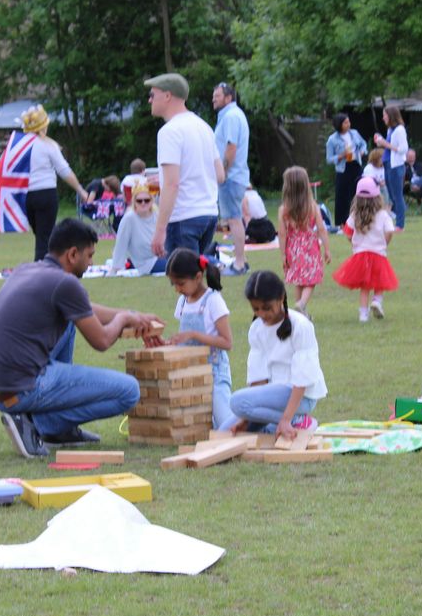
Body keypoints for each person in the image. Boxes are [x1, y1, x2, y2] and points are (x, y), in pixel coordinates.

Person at [0, 219, 161, 458]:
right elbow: (101, 341)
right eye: (89, 256)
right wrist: (122, 319)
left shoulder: (30, 269)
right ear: (72, 254)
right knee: (129, 391)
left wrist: (133, 315)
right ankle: (44, 425)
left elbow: (85, 309)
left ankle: (58, 430)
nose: (91, 263)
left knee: (70, 322)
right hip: (18, 390)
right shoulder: (65, 283)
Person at [218, 270, 326, 440]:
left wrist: (287, 418)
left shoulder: (301, 326)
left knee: (236, 401)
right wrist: (246, 418)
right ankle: (276, 425)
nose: (262, 314)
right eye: (256, 309)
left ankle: (299, 420)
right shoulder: (256, 329)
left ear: (281, 298)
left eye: (267, 308)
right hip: (272, 399)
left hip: (301, 398)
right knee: (224, 432)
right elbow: (258, 378)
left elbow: (303, 378)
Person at [145, 73, 225, 259]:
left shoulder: (169, 132)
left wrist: (159, 230)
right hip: (209, 215)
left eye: (152, 95)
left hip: (183, 218)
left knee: (186, 283)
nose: (150, 100)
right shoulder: (203, 126)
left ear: (167, 96)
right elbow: (219, 175)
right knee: (194, 280)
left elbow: (172, 185)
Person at [165, 249, 233, 429]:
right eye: (174, 284)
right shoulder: (183, 302)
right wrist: (168, 344)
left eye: (180, 283)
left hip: (214, 373)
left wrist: (194, 335)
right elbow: (184, 341)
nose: (177, 289)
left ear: (197, 277)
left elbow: (227, 342)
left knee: (226, 425)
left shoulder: (213, 300)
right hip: (190, 373)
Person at [20, 104, 93, 261]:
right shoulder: (48, 145)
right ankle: (44, 270)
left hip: (27, 196)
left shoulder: (19, 146)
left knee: (40, 235)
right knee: (45, 237)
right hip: (46, 193)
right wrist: (80, 190)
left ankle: (42, 267)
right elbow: (64, 171)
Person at [333, 176, 399, 322]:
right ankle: (377, 301)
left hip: (360, 255)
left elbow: (347, 231)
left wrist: (354, 242)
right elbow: (389, 231)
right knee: (379, 281)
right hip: (378, 253)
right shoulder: (383, 215)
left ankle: (363, 315)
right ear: (377, 197)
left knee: (364, 286)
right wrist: (384, 243)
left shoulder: (355, 214)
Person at [278, 165, 332, 317]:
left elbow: (282, 234)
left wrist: (283, 255)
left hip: (293, 249)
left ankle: (301, 313)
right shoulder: (312, 206)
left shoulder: (283, 210)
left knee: (299, 280)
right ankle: (301, 304)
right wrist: (327, 249)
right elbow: (322, 229)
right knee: (311, 279)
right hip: (310, 248)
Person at [212, 81, 251, 276]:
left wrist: (223, 172)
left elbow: (231, 148)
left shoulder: (231, 117)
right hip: (235, 176)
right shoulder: (231, 116)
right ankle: (241, 259)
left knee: (234, 220)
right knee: (234, 219)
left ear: (228, 98)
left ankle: (239, 263)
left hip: (231, 176)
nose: (213, 99)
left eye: (217, 96)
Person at [109, 183, 167, 275]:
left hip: (163, 255)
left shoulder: (157, 215)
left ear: (151, 201)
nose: (143, 203)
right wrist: (115, 268)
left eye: (146, 200)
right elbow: (121, 243)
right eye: (139, 201)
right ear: (134, 202)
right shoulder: (129, 219)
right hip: (146, 263)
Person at [325, 113, 367, 227]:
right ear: (339, 124)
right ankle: (341, 223)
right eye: (345, 122)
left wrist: (362, 151)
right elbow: (329, 159)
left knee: (357, 193)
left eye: (349, 121)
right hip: (343, 168)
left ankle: (358, 220)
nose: (349, 124)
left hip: (356, 165)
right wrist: (340, 156)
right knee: (342, 196)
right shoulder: (332, 139)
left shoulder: (354, 133)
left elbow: (363, 144)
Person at [372, 105, 409, 229]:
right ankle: (399, 220)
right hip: (388, 164)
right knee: (393, 196)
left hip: (396, 166)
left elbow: (403, 149)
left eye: (385, 115)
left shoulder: (400, 130)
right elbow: (390, 146)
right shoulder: (390, 130)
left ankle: (400, 225)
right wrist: (381, 142)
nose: (383, 118)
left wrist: (385, 144)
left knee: (397, 195)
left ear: (391, 116)